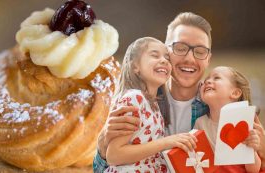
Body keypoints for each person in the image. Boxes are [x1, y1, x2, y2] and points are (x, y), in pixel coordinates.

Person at [93, 12, 212, 173]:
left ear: (208, 58)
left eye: (200, 51)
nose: (190, 58)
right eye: (180, 48)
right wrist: (102, 145)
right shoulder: (136, 100)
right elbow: (111, 160)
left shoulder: (216, 105)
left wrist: (258, 150)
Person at [103, 37, 197, 173]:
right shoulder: (134, 98)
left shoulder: (154, 104)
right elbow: (114, 155)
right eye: (154, 55)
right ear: (135, 66)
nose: (164, 60)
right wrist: (167, 142)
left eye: (167, 58)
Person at [194, 66, 261, 173]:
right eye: (206, 80)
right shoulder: (200, 123)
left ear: (235, 93)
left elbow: (254, 170)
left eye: (216, 78)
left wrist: (251, 151)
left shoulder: (245, 123)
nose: (207, 82)